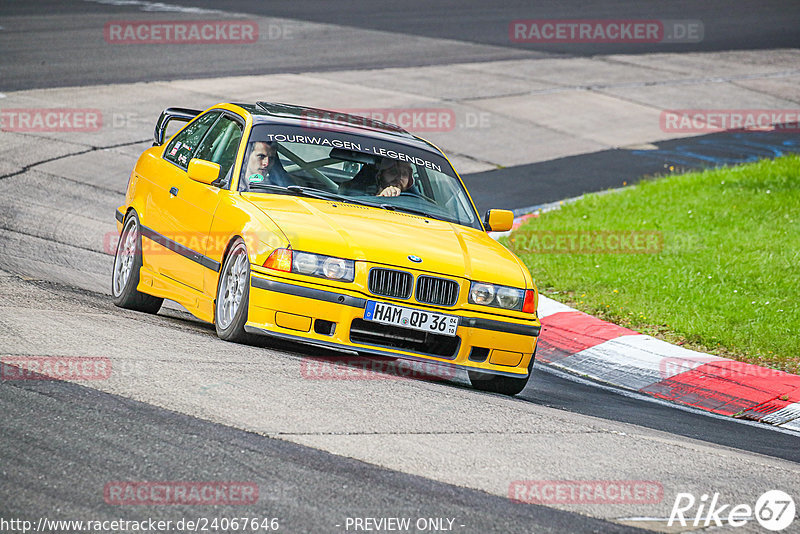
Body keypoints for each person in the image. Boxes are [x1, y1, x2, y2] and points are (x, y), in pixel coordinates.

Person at [338, 158, 415, 197]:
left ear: (410, 181)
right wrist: (380, 198)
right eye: (393, 172)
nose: (398, 178)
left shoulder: (417, 204)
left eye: (404, 174)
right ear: (379, 176)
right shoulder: (356, 196)